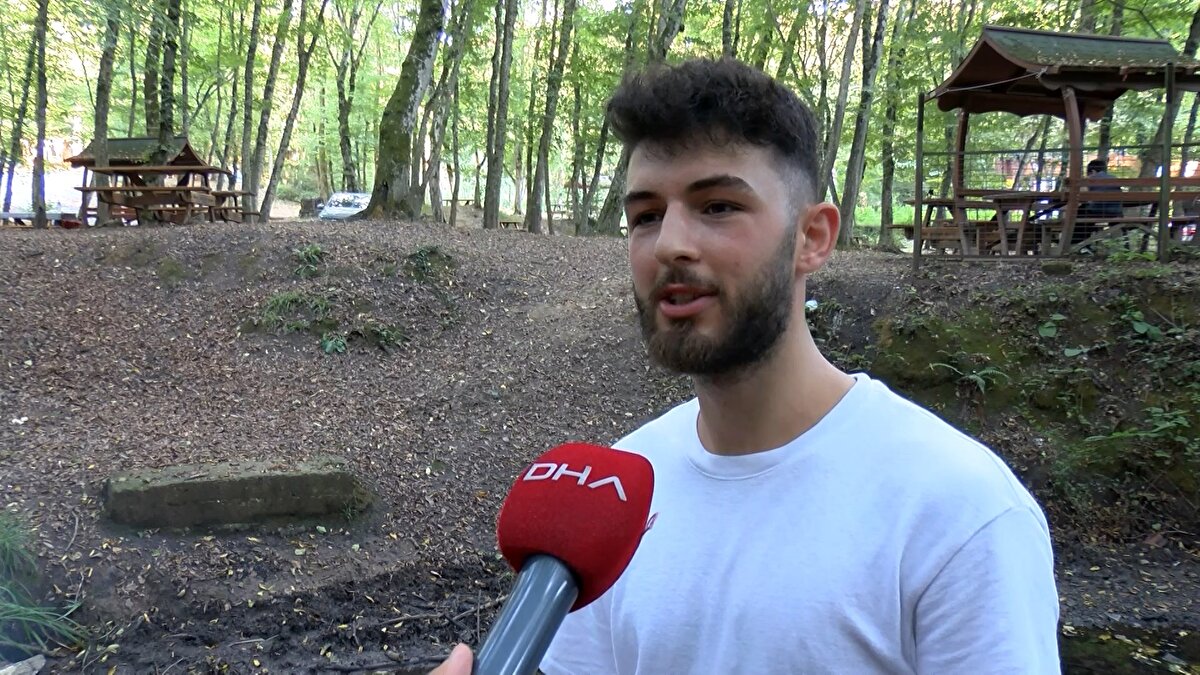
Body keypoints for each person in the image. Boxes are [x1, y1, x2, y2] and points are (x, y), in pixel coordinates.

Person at [432, 57, 1060, 675]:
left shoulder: (959, 512)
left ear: (812, 238)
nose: (670, 244)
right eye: (646, 216)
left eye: (718, 207)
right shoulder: (615, 495)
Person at [1073, 158, 1124, 249]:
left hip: (1098, 211)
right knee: (1084, 212)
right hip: (1117, 213)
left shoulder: (1092, 179)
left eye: (1088, 174)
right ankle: (1084, 245)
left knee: (1080, 212)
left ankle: (1078, 244)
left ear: (1093, 171)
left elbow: (1081, 195)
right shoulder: (1113, 178)